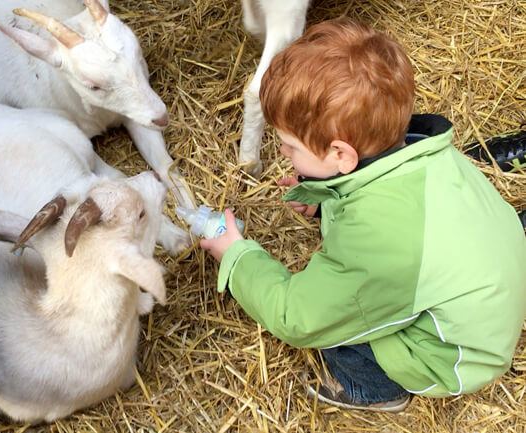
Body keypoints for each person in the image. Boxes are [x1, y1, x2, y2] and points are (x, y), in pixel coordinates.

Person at [200, 17, 526, 412]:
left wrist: (236, 257)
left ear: (341, 154)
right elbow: (383, 198)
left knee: (337, 328)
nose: (283, 153)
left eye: (289, 146)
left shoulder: (380, 244)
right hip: (489, 294)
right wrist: (325, 204)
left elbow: (299, 316)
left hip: (458, 354)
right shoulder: (422, 153)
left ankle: (375, 391)